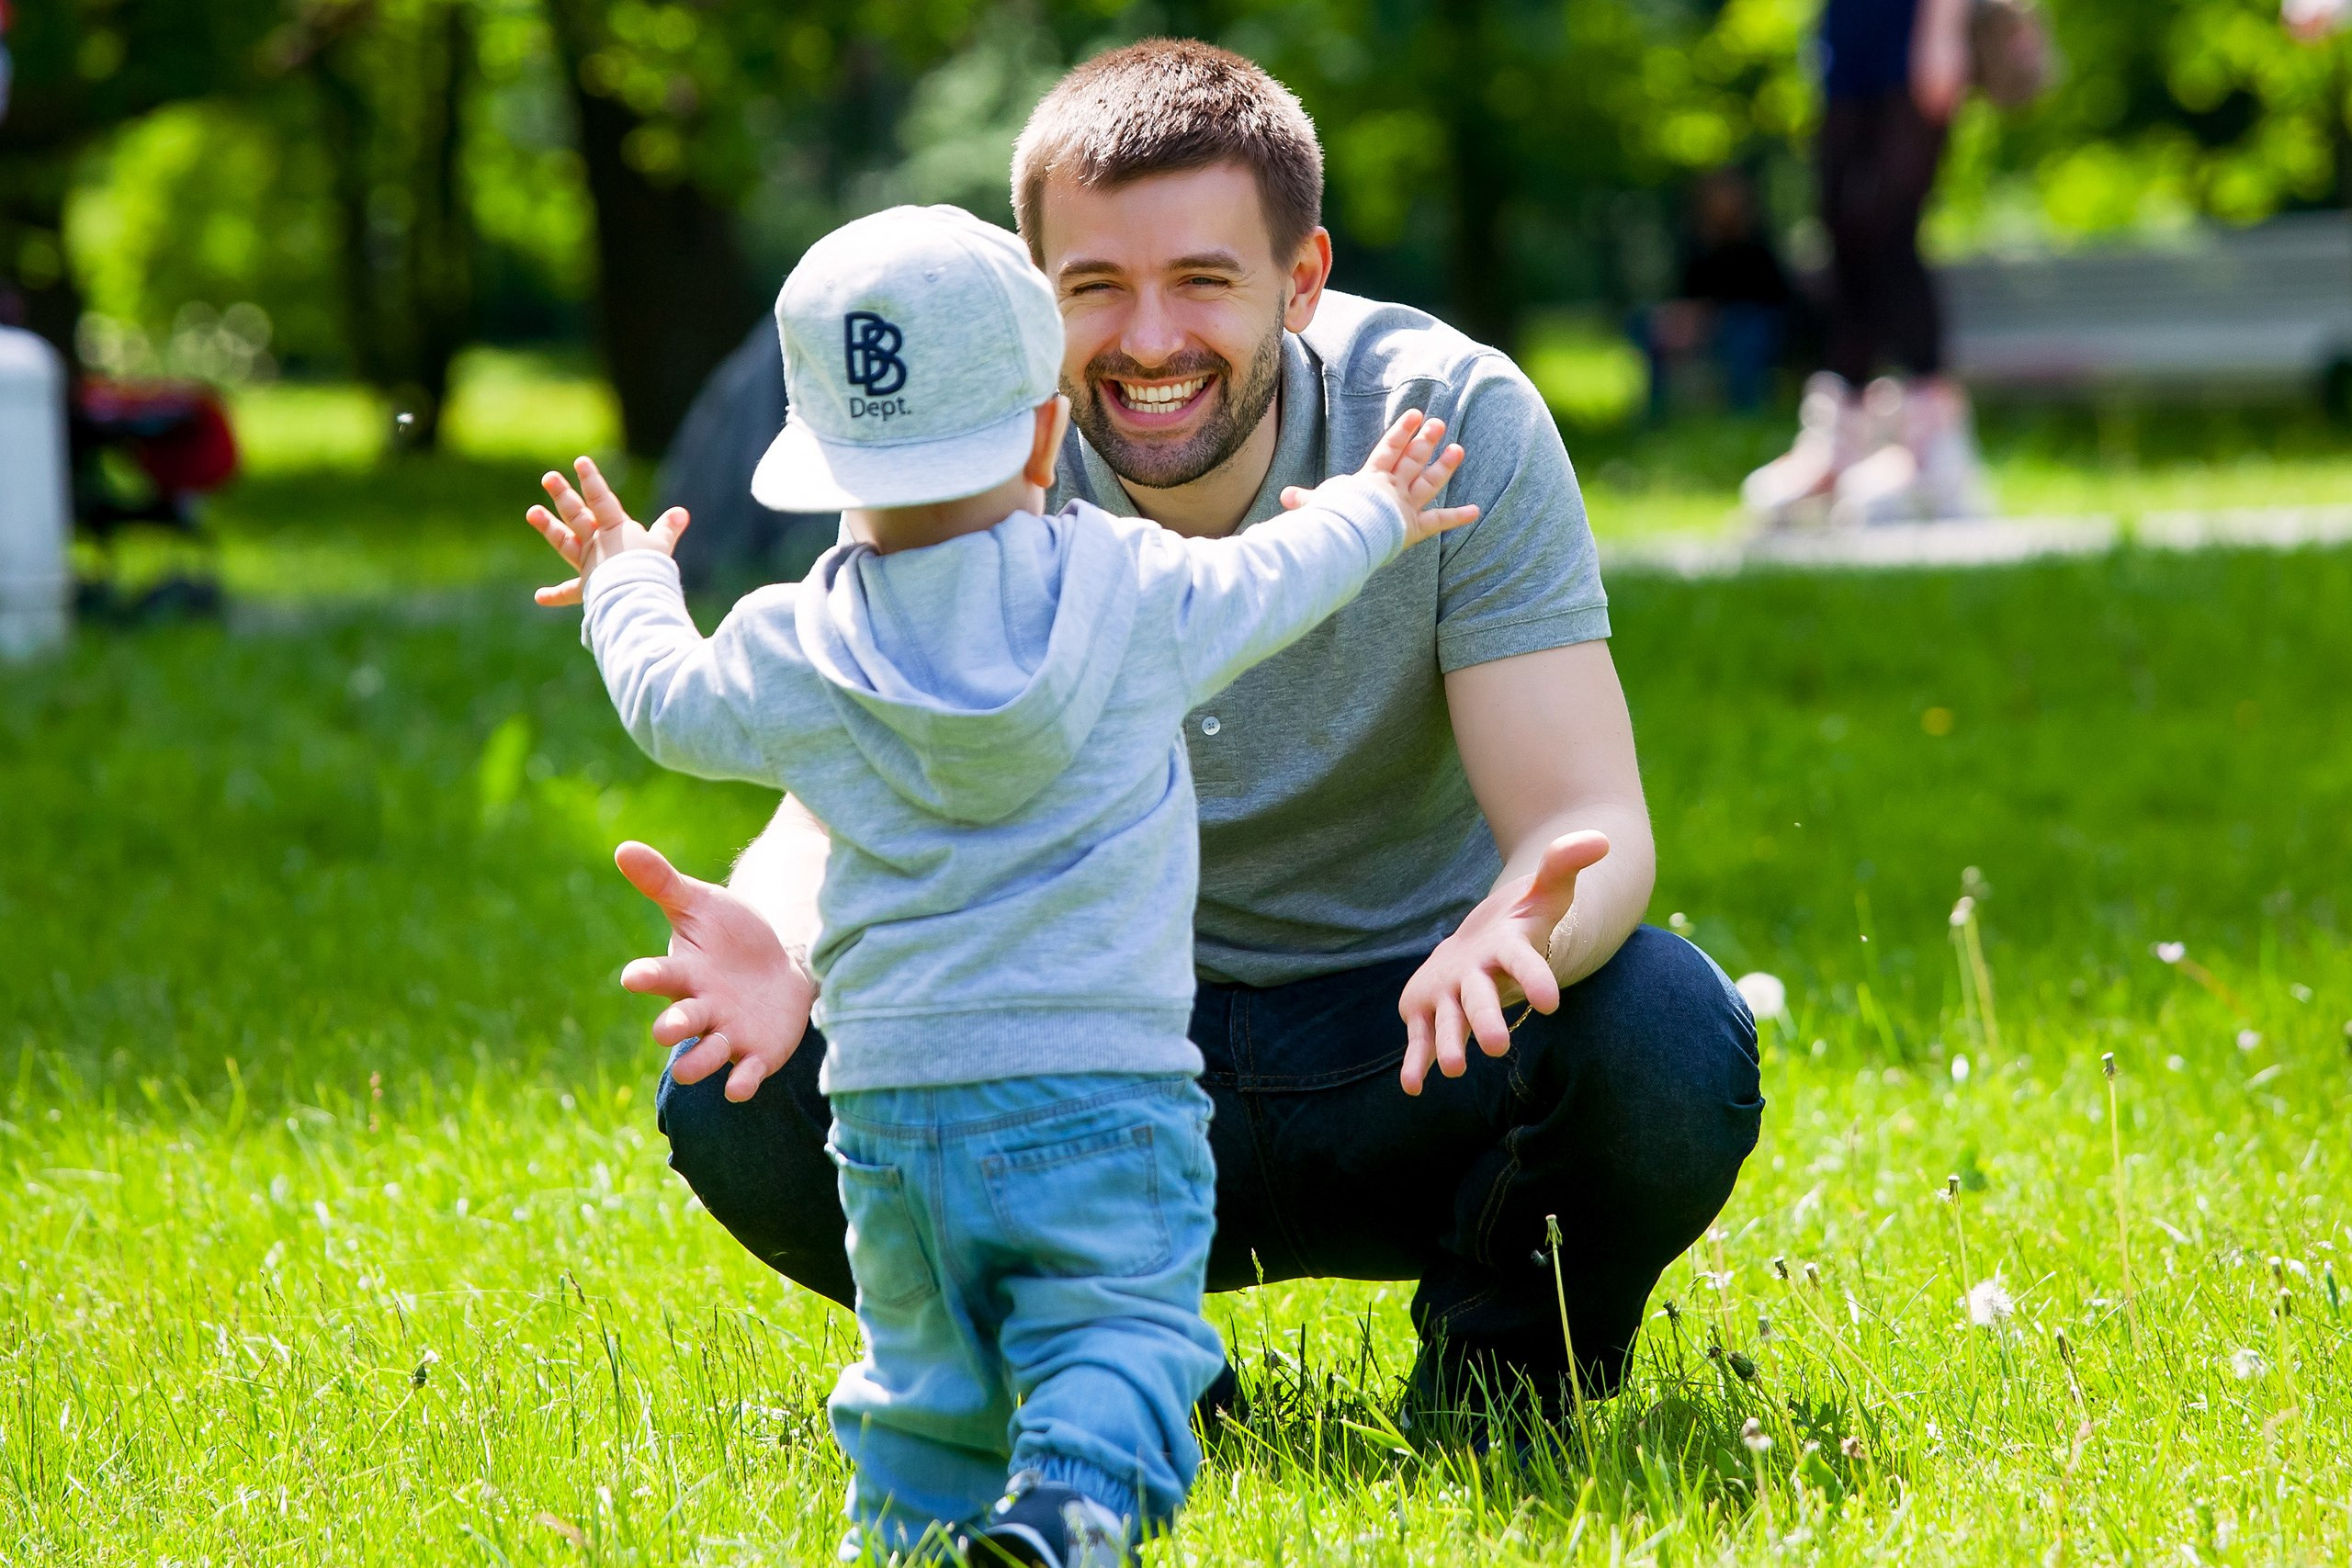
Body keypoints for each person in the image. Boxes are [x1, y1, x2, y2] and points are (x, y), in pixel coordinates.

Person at [527, 39, 1761, 1435]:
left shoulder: (1444, 419)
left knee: (1662, 1031)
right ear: (1025, 296)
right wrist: (778, 943)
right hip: (1079, 1062)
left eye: (1204, 281)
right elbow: (844, 775)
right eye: (1095, 287)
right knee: (739, 1086)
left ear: (1301, 279)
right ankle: (1132, 1379)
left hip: (1418, 1040)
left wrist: (1520, 932)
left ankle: (1496, 1389)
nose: (1151, 339)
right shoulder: (963, 450)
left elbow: (1585, 822)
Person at [532, 202, 1485, 1563]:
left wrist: (628, 576)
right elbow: (1276, 576)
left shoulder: (789, 642)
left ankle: (909, 1538)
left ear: (820, 463)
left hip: (889, 1111)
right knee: (1126, 1334)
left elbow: (664, 701)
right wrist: (1376, 509)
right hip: (1099, 1095)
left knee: (924, 1378)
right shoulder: (1131, 590)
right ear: (1047, 433)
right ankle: (1071, 1505)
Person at [1742, 0, 1992, 525]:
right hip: (1849, 33)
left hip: (1911, 28)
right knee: (1842, 235)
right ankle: (1841, 445)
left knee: (1890, 230)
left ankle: (1936, 450)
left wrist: (1942, 30)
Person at [1638, 168, 1794, 419]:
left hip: (1755, 323)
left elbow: (1772, 296)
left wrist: (1711, 313)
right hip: (1706, 324)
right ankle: (1657, 410)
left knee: (1746, 332)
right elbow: (1688, 294)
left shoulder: (1757, 244)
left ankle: (1746, 410)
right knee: (1646, 324)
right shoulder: (1696, 246)